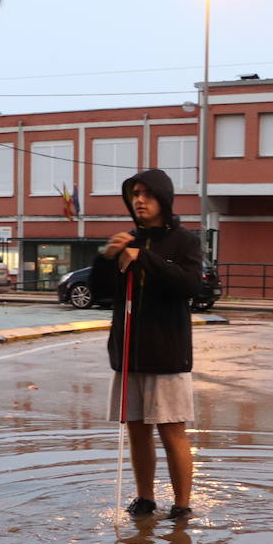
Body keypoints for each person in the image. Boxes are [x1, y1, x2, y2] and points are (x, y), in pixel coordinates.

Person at [90, 168, 203, 520]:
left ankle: (182, 504)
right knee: (137, 431)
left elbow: (190, 286)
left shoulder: (185, 240)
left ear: (164, 200)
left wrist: (145, 258)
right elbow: (100, 292)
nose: (139, 200)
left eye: (147, 194)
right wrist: (107, 257)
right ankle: (145, 498)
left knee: (172, 431)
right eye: (135, 194)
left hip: (166, 353)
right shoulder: (127, 238)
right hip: (128, 354)